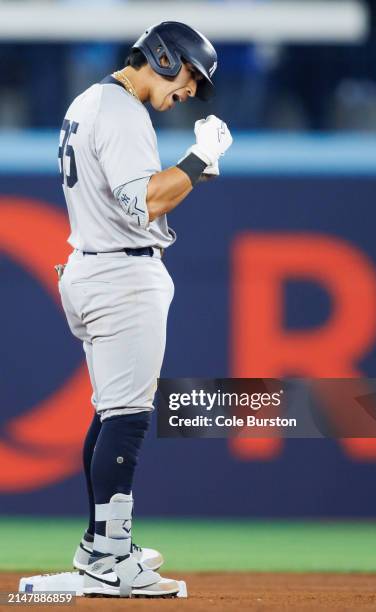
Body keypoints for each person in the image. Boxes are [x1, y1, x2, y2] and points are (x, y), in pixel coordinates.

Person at [56, 21, 232, 598]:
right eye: (188, 77)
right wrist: (197, 156)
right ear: (161, 56)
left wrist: (196, 168)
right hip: (120, 272)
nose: (188, 93)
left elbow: (135, 196)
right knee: (128, 418)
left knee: (112, 413)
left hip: (93, 262)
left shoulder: (94, 100)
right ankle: (110, 555)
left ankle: (97, 545)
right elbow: (143, 203)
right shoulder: (124, 111)